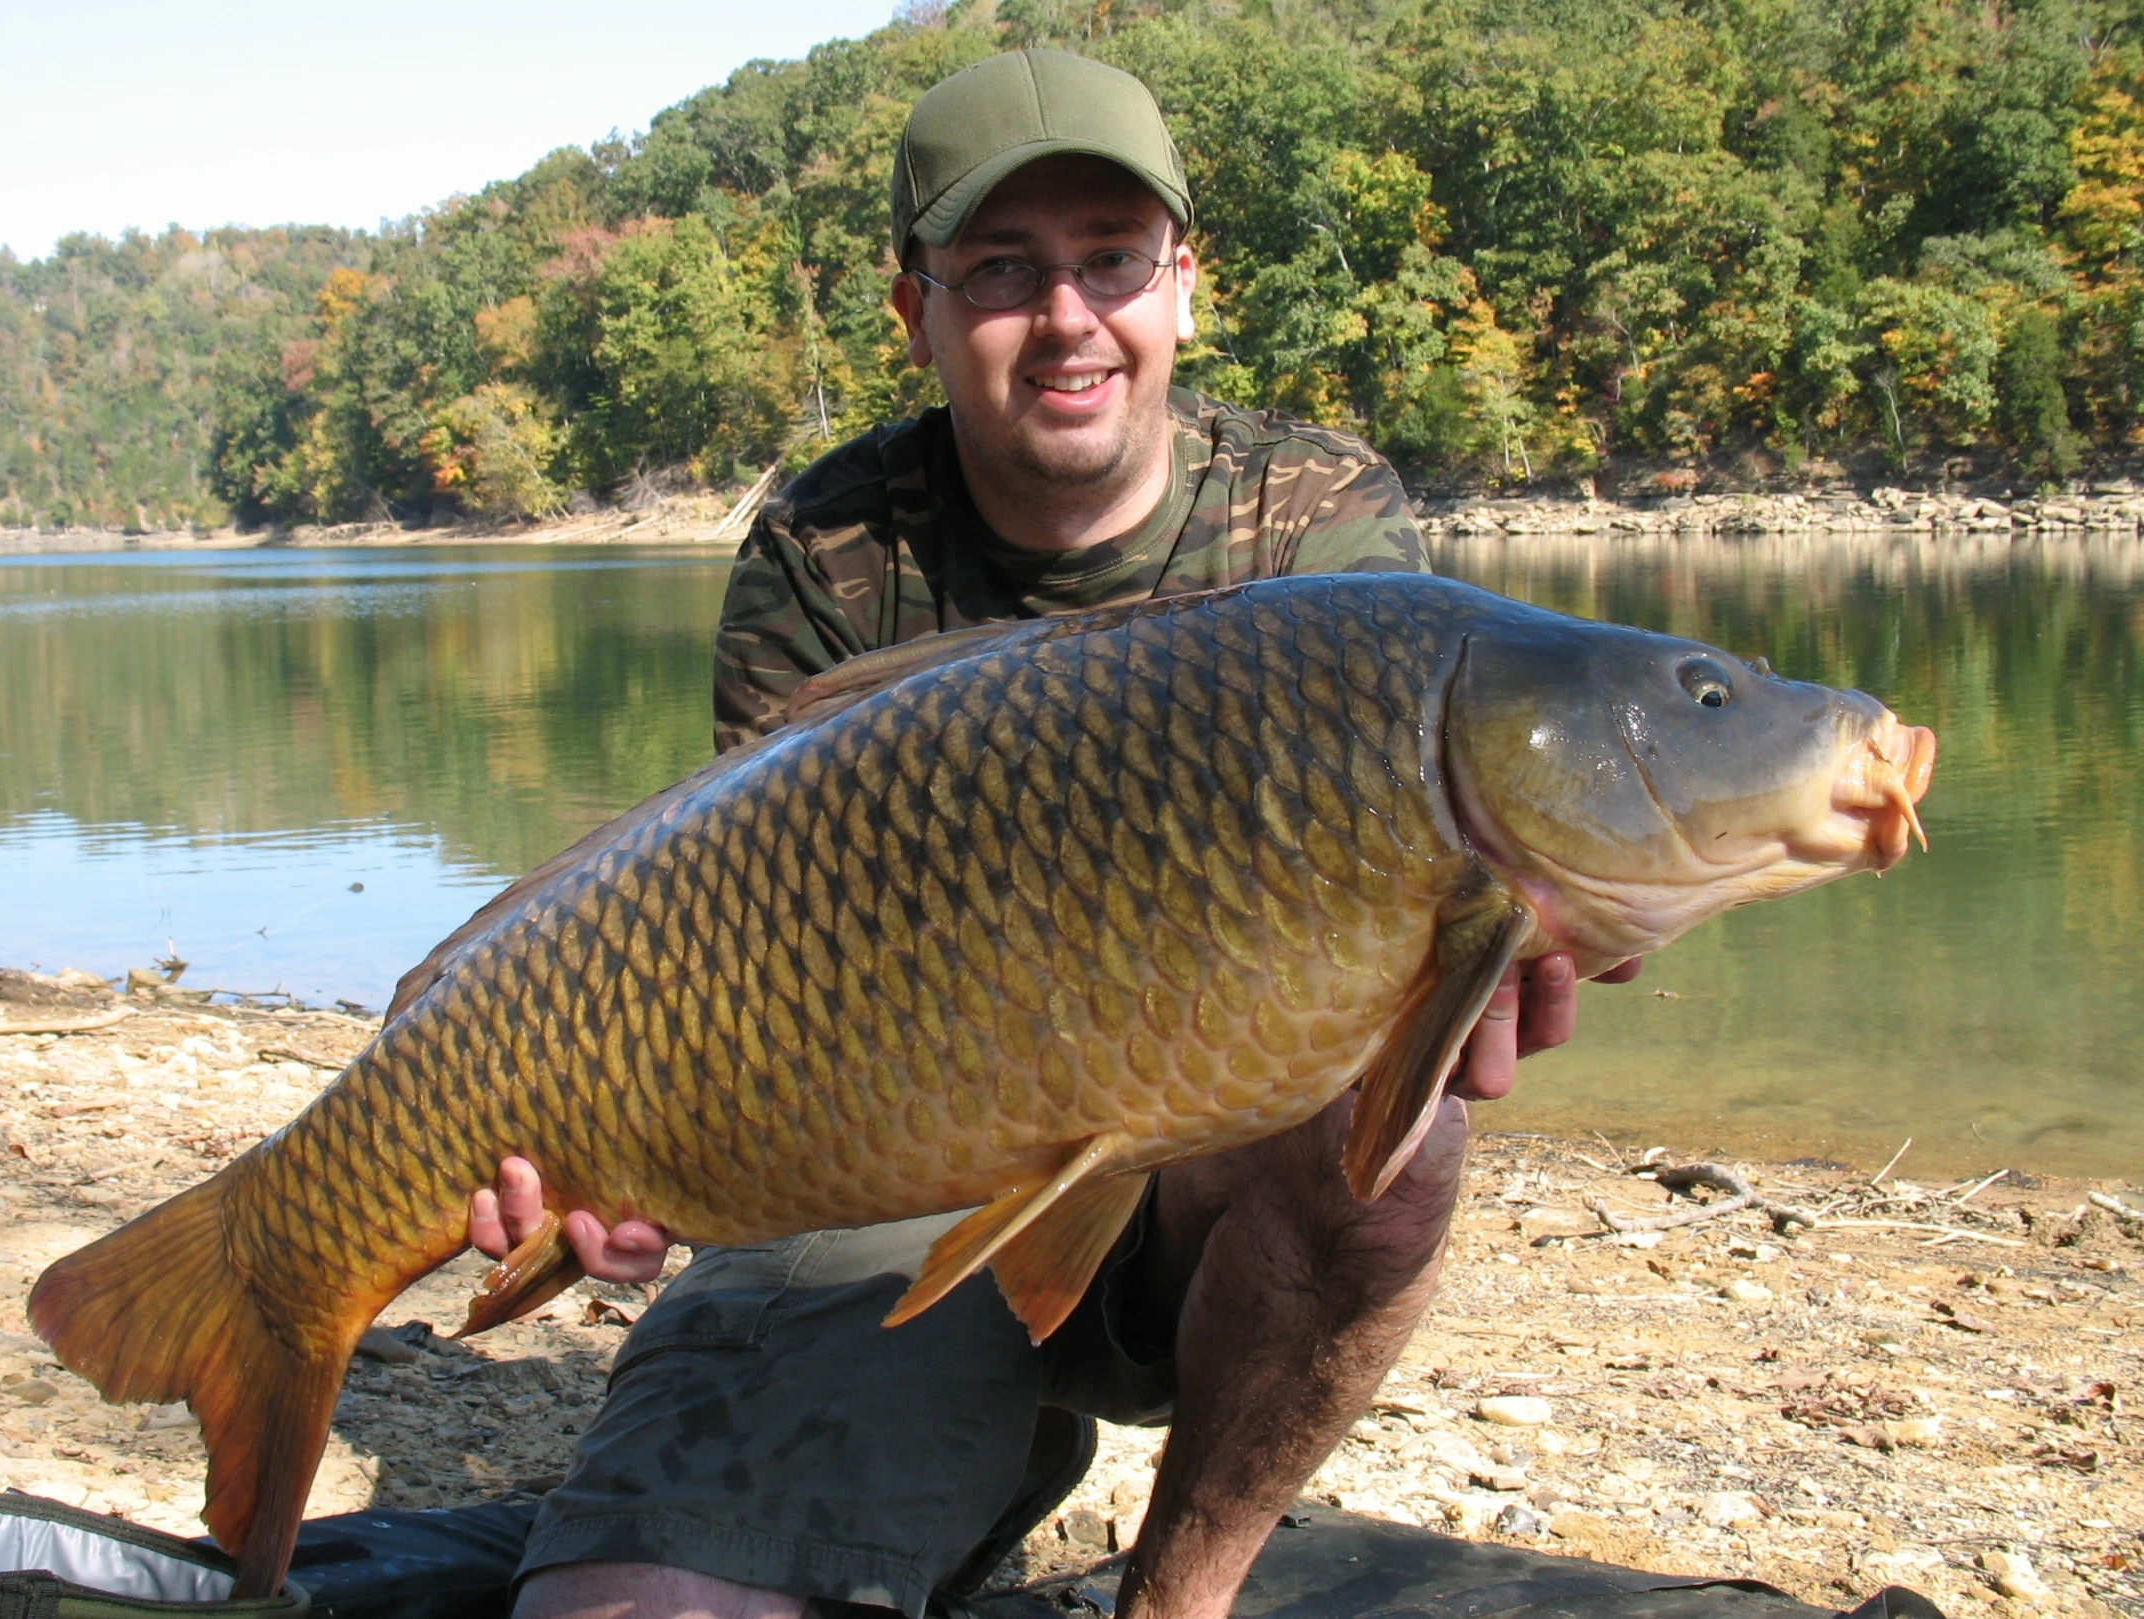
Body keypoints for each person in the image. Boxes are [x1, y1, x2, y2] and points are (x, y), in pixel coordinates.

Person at [474, 49, 1638, 1619]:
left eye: (1110, 259)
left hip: (1193, 1166)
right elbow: (732, 962)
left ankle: (1180, 1593)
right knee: (625, 1615)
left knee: (1398, 1136)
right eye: (1003, 270)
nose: (1069, 316)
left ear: (1180, 284)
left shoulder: (1317, 523)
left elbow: (1421, 914)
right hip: (889, 1170)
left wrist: (1480, 962)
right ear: (918, 309)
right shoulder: (826, 550)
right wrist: (649, 1152)